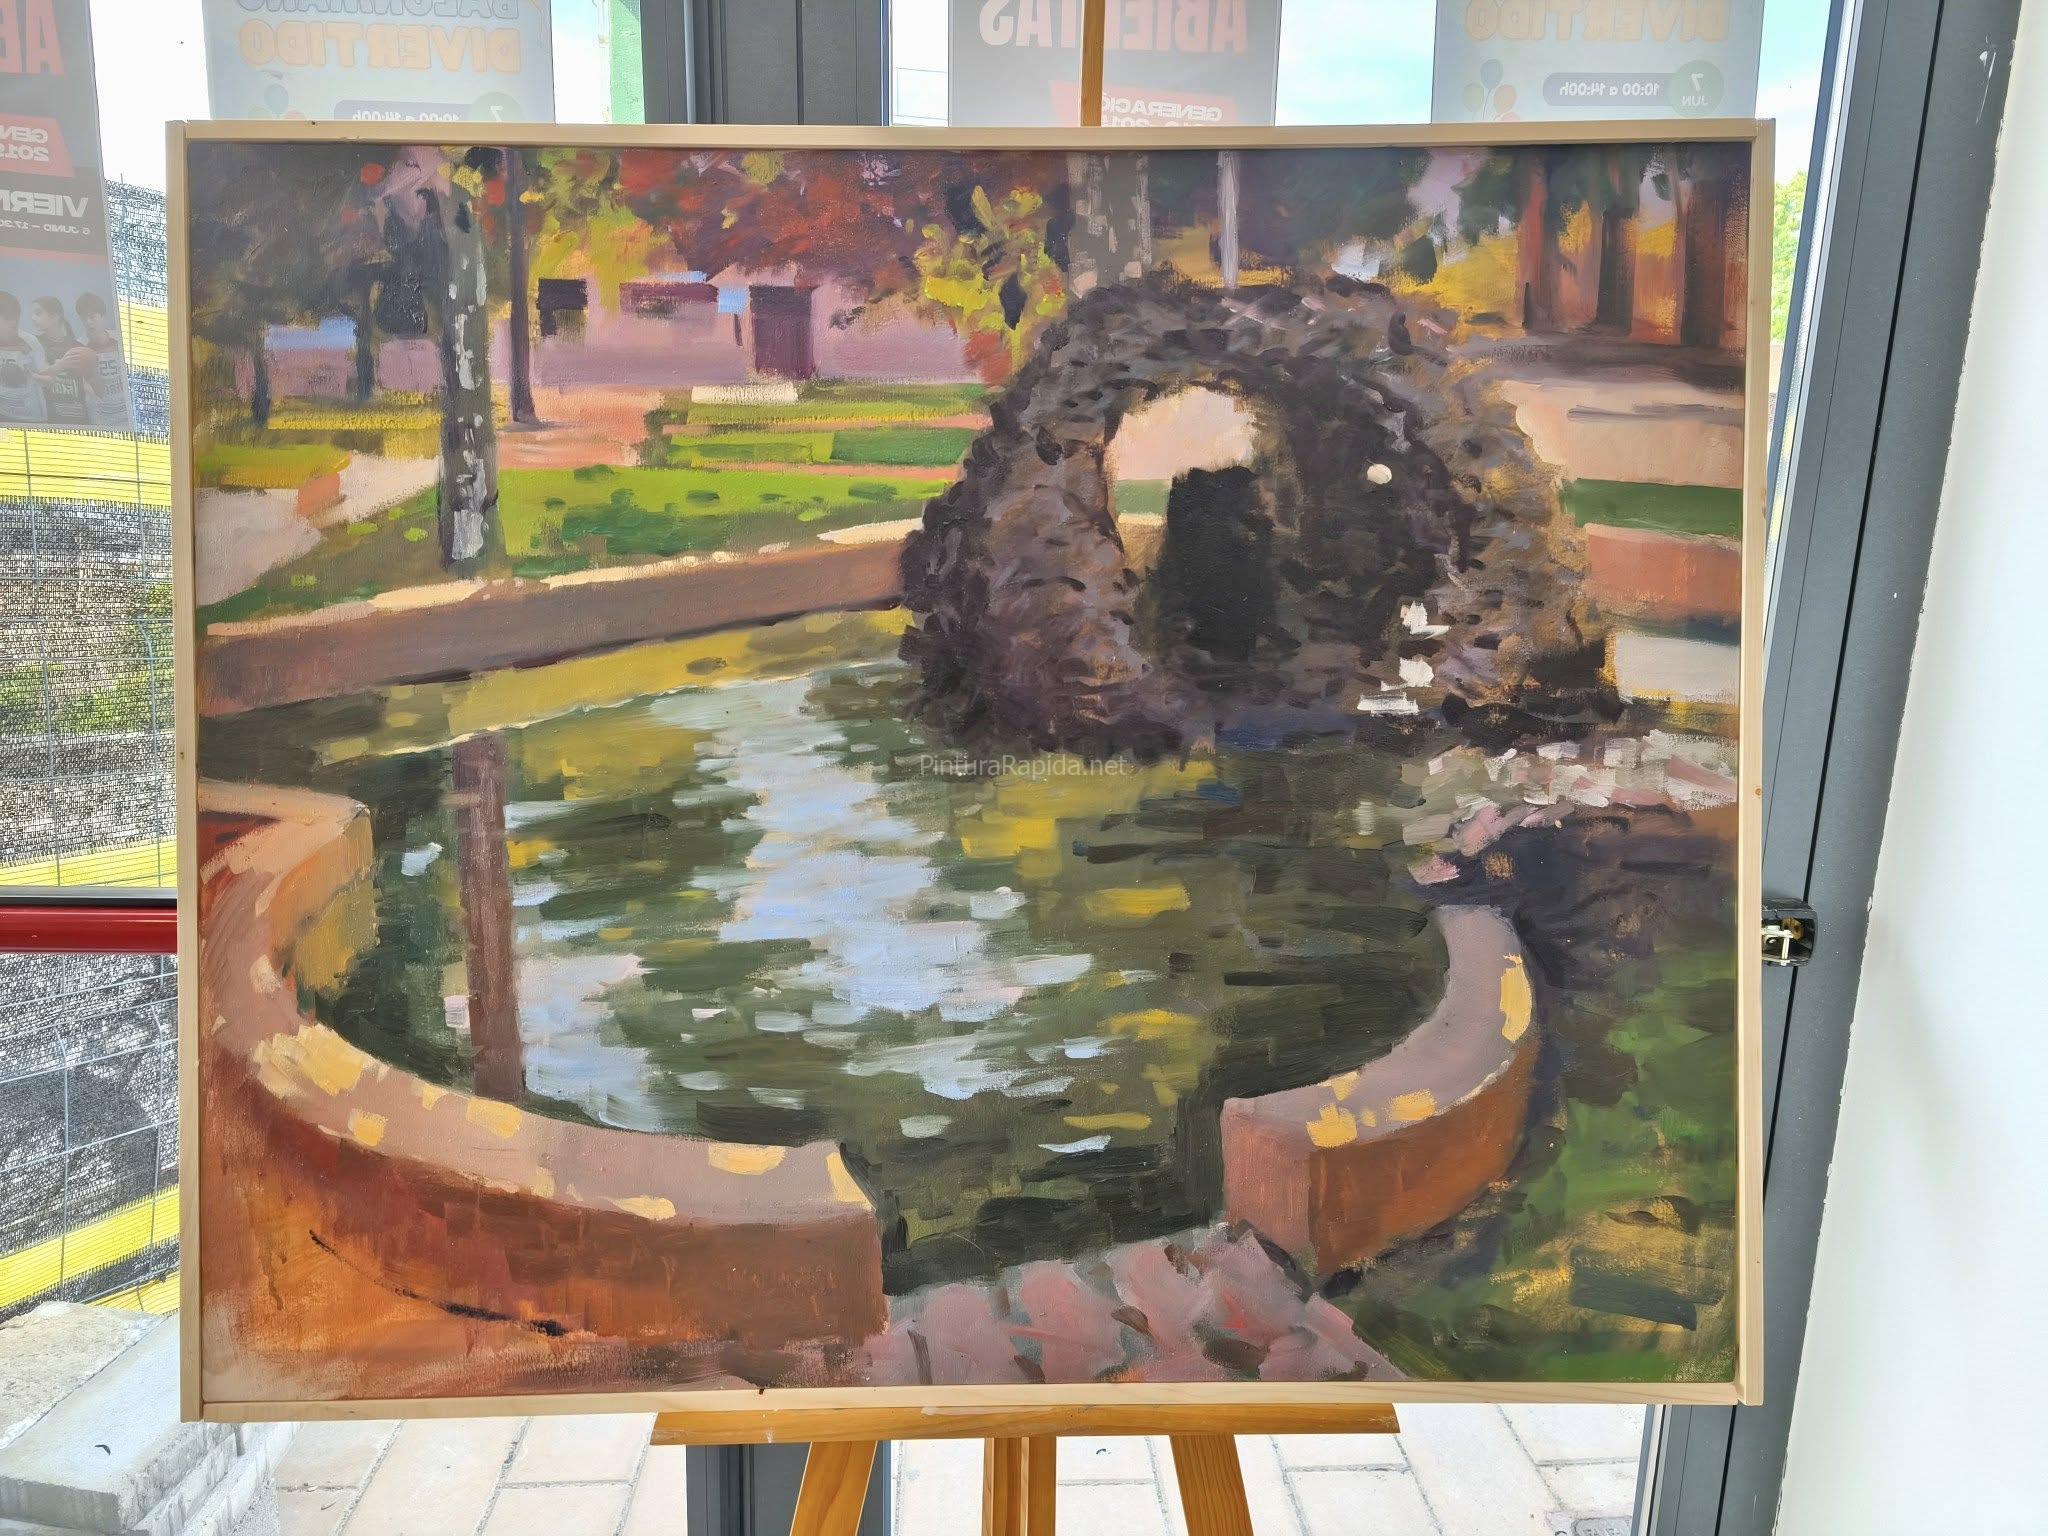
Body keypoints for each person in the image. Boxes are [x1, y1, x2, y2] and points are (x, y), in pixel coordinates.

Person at [30, 297, 92, 427]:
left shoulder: (78, 347)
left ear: (55, 316)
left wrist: (91, 384)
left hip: (79, 420)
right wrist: (59, 366)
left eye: (38, 313)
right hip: (49, 421)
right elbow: (30, 377)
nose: (32, 318)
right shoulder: (34, 344)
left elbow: (92, 387)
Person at [74, 292, 130, 430]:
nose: (88, 322)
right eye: (83, 318)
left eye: (92, 317)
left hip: (127, 413)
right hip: (101, 417)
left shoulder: (121, 339)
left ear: (103, 316)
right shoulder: (79, 346)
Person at [0, 292, 46, 424]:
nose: (12, 322)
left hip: (31, 417)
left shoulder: (30, 342)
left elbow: (46, 378)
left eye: (14, 317)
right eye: (6, 317)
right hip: (3, 415)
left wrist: (28, 375)